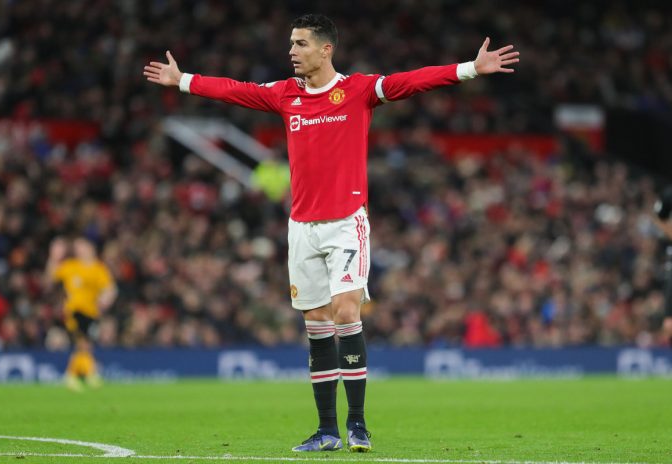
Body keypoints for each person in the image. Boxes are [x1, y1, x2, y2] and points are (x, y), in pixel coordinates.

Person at [144, 13, 519, 452]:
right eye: (291, 43)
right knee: (317, 323)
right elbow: (235, 90)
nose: (291, 51)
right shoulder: (285, 94)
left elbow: (411, 82)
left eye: (300, 43)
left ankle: (357, 423)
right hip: (301, 227)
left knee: (345, 312)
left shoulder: (358, 90)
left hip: (346, 222)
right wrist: (183, 80)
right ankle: (327, 431)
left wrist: (470, 68)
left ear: (326, 50)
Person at [46, 237, 117, 391]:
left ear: (90, 248)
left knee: (85, 345)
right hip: (74, 310)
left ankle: (80, 374)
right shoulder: (70, 266)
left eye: (82, 246)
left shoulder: (98, 268)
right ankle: (82, 375)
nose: (79, 250)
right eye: (77, 247)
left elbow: (110, 288)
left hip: (92, 312)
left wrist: (105, 299)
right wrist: (53, 257)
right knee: (83, 342)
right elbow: (51, 277)